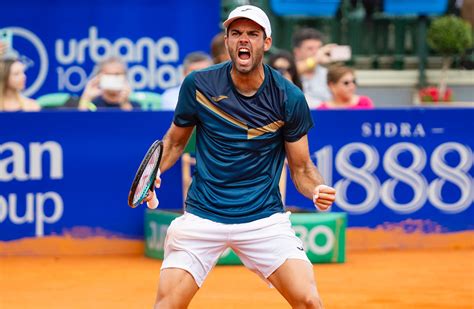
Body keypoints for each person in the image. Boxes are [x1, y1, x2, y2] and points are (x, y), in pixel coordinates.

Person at [144, 5, 336, 309]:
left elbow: (301, 167)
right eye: (236, 33)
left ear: (266, 42)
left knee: (309, 300)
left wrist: (316, 189)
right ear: (228, 41)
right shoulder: (198, 85)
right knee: (166, 305)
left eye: (252, 34)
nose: (243, 40)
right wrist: (154, 170)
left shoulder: (289, 97)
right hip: (203, 216)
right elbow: (174, 142)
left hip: (263, 220)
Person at [292, 28, 336, 108]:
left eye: (319, 48)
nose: (316, 52)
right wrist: (316, 59)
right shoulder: (289, 73)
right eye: (310, 49)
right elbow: (291, 71)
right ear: (297, 52)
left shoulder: (328, 74)